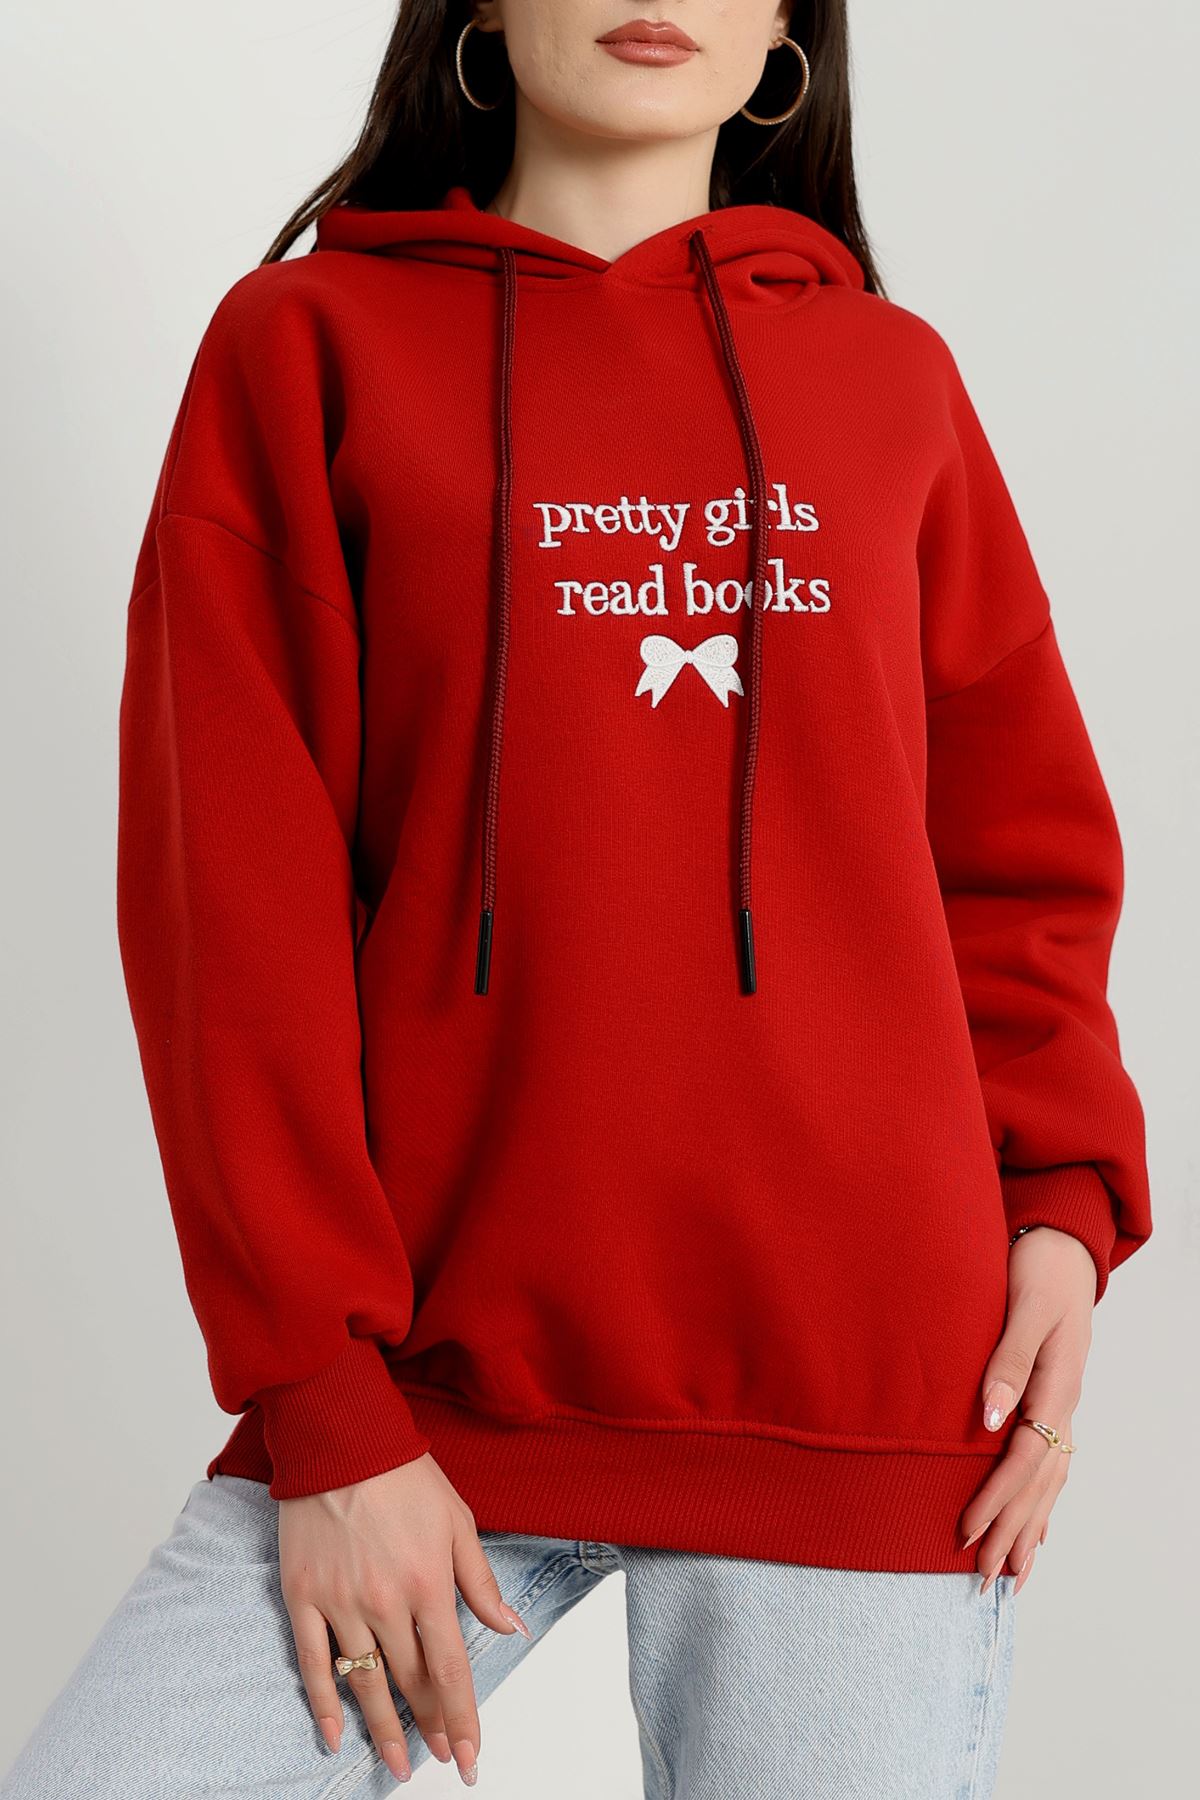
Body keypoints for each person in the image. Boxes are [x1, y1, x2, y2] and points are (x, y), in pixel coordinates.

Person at [2, 3, 1152, 1796]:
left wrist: (1066, 1209)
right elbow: (233, 909)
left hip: (862, 1394)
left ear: (786, 35)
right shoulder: (303, 349)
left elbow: (1014, 852)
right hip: (424, 1392)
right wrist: (324, 1407)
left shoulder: (893, 382)